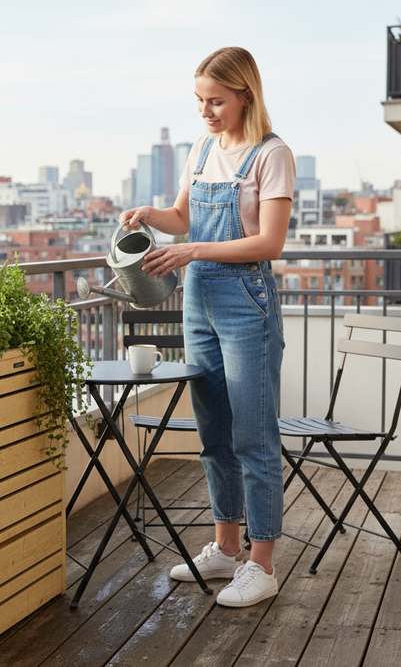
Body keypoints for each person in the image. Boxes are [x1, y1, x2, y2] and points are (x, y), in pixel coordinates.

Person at [119, 46, 294, 608]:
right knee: (214, 434)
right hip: (198, 301)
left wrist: (192, 248)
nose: (206, 111)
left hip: (246, 298)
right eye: (199, 100)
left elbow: (270, 242)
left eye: (216, 101)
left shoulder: (273, 155)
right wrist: (150, 215)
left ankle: (261, 564)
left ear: (247, 94)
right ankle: (224, 547)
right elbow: (182, 218)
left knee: (253, 436)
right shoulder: (201, 149)